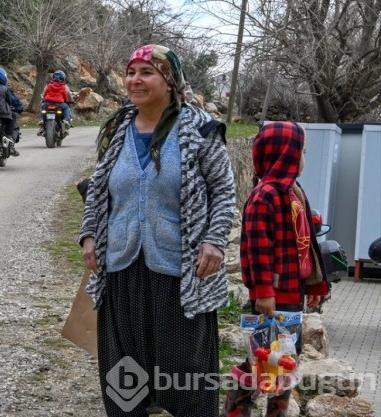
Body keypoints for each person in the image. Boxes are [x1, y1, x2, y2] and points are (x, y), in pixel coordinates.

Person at [79, 44, 236, 416]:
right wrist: (89, 236)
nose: (135, 80)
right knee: (124, 377)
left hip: (180, 273)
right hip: (121, 268)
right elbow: (99, 188)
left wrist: (214, 241)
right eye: (131, 72)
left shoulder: (201, 128)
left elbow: (224, 189)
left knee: (186, 374)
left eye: (147, 72)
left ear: (169, 79)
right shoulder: (119, 129)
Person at [223, 121, 330, 417]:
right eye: (301, 150)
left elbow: (306, 245)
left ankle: (276, 411)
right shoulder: (264, 195)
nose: (304, 157)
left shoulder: (294, 191)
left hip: (292, 294)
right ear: (285, 154)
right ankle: (237, 409)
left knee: (284, 358)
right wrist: (264, 292)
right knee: (263, 358)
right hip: (272, 298)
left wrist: (314, 286)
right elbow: (256, 249)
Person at [37, 70, 72, 135]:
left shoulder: (50, 85)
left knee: (42, 107)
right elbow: (65, 96)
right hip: (59, 104)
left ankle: (41, 120)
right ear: (63, 78)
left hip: (48, 103)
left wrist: (44, 98)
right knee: (66, 107)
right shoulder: (63, 86)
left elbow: (45, 93)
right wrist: (66, 100)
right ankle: (66, 120)